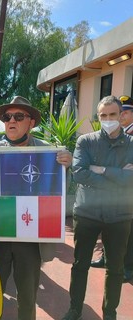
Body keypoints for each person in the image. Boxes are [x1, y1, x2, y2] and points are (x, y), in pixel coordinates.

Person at [0, 96, 72, 320]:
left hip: (30, 238)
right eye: (7, 117)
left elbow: (57, 190)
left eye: (19, 117)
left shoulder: (51, 153)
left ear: (31, 123)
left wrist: (67, 165)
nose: (11, 121)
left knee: (27, 297)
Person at [62, 95, 133, 320]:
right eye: (103, 115)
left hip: (120, 215)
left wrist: (101, 170)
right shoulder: (86, 141)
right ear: (98, 117)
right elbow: (80, 173)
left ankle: (109, 312)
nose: (108, 119)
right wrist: (119, 175)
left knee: (115, 268)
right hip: (87, 213)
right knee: (80, 265)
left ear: (122, 116)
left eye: (113, 114)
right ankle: (75, 309)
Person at [90, 95, 133, 283]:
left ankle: (128, 266)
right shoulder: (113, 134)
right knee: (107, 226)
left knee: (128, 233)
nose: (121, 117)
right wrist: (114, 172)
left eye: (124, 113)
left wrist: (105, 171)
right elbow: (95, 167)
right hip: (110, 194)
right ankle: (106, 257)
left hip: (127, 194)